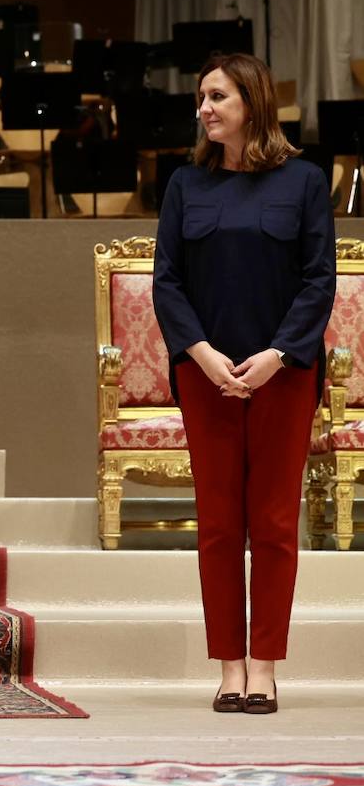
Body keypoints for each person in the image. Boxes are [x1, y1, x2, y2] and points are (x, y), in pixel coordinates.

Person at [152, 52, 334, 716]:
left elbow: (319, 280)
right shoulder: (184, 185)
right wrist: (199, 354)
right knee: (220, 527)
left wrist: (278, 355)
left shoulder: (306, 180)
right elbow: (166, 279)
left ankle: (265, 665)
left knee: (277, 525)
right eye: (201, 98)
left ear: (252, 103)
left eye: (216, 97)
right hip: (207, 378)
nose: (204, 108)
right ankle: (230, 666)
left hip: (283, 378)